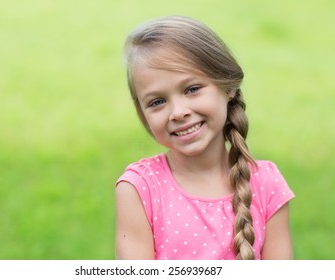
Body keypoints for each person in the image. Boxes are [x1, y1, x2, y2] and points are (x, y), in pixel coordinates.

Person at [115, 15, 295, 260]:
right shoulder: (139, 189)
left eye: (192, 89)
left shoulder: (266, 184)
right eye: (157, 102)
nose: (178, 112)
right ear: (143, 114)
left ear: (228, 86)